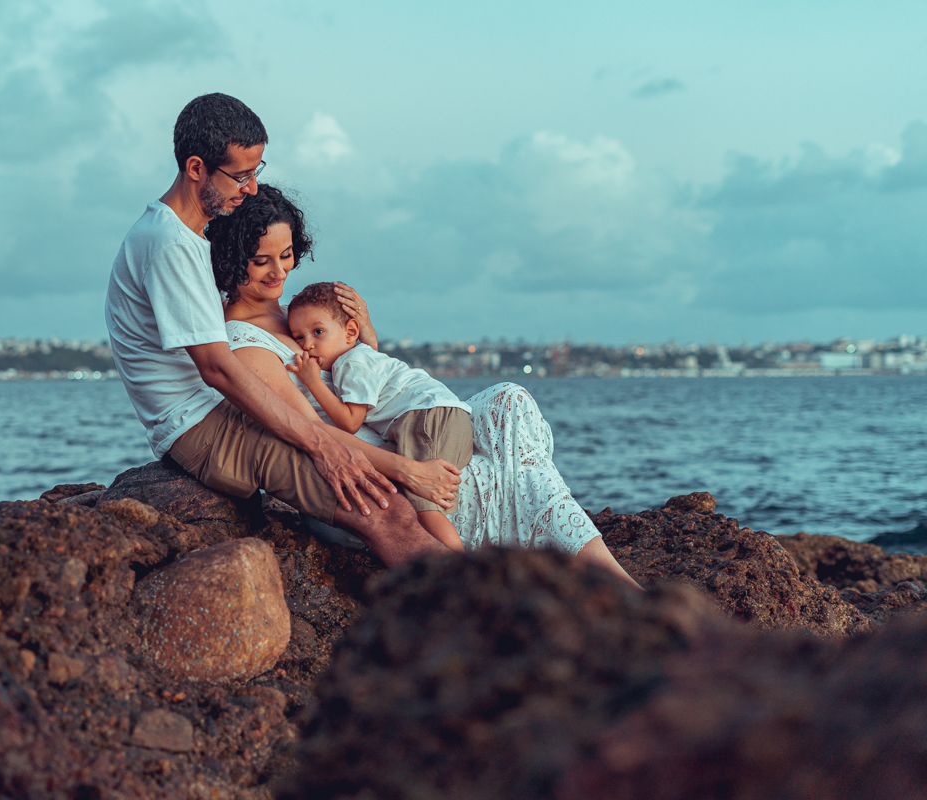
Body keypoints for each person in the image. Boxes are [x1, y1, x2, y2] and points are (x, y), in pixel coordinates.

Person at [205, 184, 641, 589]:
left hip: (400, 443)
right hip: (372, 482)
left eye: (286, 254)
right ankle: (611, 585)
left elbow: (367, 383)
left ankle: (580, 569)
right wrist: (411, 472)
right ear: (229, 259)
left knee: (510, 400)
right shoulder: (245, 345)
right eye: (261, 260)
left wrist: (367, 340)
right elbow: (308, 437)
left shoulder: (298, 316)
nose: (278, 271)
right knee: (520, 476)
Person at [104, 93, 459, 567]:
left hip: (218, 412)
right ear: (195, 168)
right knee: (382, 509)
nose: (251, 189)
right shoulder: (170, 244)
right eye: (241, 175)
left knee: (381, 494)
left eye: (257, 171)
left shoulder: (182, 237)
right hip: (202, 429)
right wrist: (323, 446)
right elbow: (218, 370)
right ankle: (474, 622)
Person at [284, 282, 473, 553]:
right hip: (446, 417)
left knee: (425, 508)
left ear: (350, 331)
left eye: (318, 332)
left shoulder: (351, 363)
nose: (309, 345)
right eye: (299, 338)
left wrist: (313, 382)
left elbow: (350, 422)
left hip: (426, 418)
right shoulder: (362, 356)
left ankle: (458, 565)